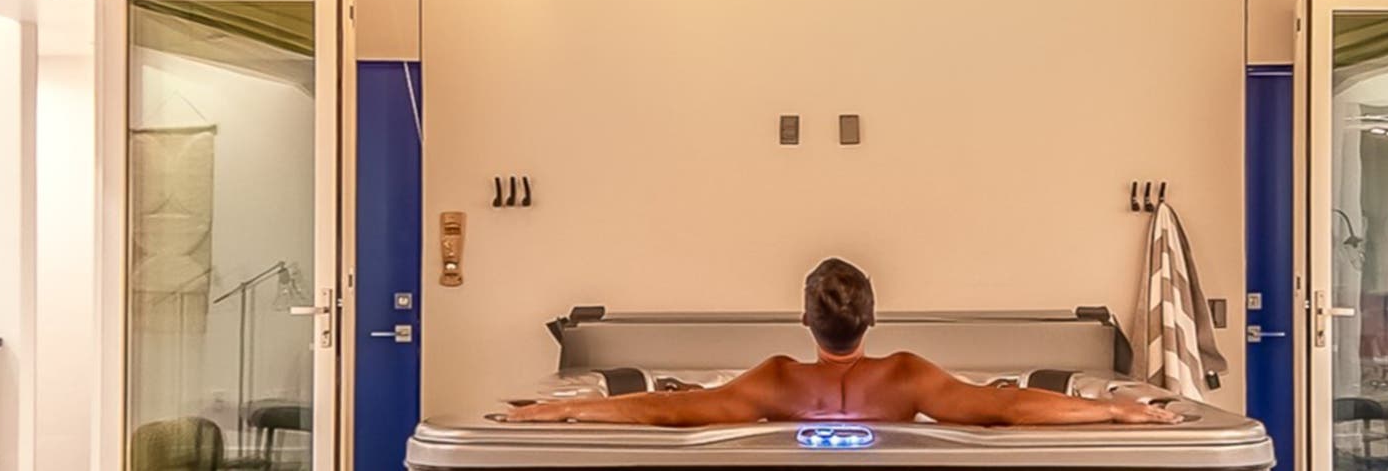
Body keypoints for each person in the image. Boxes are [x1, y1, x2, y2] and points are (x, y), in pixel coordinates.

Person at [504, 258, 1179, 427]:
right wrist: (1116, 411)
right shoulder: (909, 377)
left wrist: (561, 411)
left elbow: (664, 412)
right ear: (873, 319)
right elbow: (1008, 408)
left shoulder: (775, 381)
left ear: (804, 321)